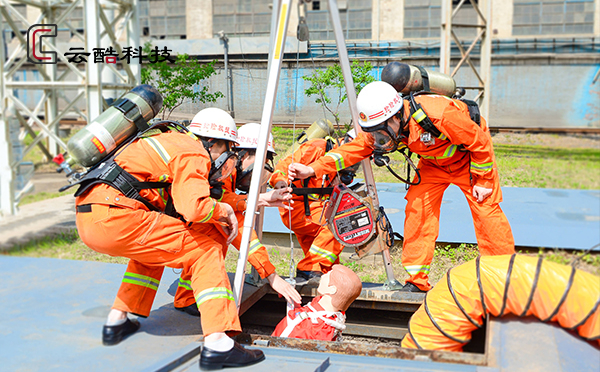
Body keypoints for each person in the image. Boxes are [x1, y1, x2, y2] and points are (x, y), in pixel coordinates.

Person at [288, 81, 515, 292]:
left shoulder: (439, 115)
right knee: (418, 210)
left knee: (486, 213)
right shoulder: (383, 125)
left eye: (379, 131)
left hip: (469, 161)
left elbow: (480, 141)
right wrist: (313, 168)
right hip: (433, 165)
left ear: (397, 117)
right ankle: (417, 281)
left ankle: (502, 278)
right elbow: (352, 150)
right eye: (373, 132)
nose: (377, 138)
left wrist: (484, 180)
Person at [74, 119, 264, 369]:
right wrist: (224, 210)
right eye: (227, 149)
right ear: (214, 143)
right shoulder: (194, 151)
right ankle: (218, 342)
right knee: (205, 251)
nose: (223, 162)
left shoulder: (168, 142)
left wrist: (246, 200)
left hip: (90, 217)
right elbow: (194, 208)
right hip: (118, 214)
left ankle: (117, 320)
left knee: (153, 252)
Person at [171, 117, 301, 315]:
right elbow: (235, 219)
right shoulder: (221, 171)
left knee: (216, 236)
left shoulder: (227, 171)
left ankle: (189, 294)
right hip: (178, 220)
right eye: (257, 164)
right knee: (212, 237)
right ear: (241, 153)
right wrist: (271, 276)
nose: (256, 175)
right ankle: (188, 297)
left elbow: (230, 200)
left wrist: (270, 190)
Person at [269, 130, 357, 282]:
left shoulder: (339, 164)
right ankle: (309, 268)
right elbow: (284, 165)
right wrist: (280, 182)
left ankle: (323, 273)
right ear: (346, 142)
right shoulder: (317, 148)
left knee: (325, 260)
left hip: (313, 209)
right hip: (297, 208)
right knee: (343, 220)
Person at [272, 264, 362, 341]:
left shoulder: (312, 328)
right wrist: (298, 309)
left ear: (332, 289)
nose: (322, 276)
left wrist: (298, 318)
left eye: (327, 275)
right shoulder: (332, 317)